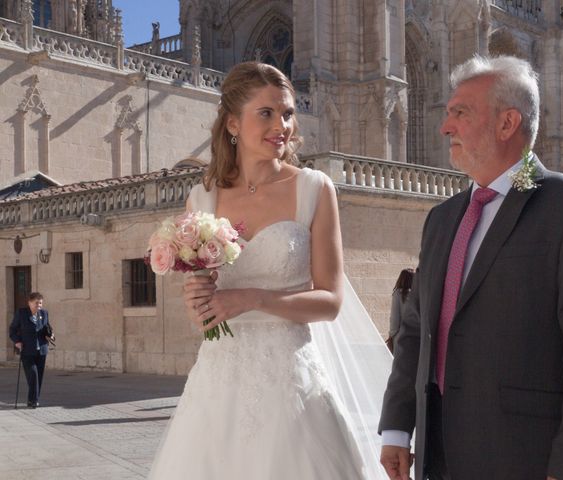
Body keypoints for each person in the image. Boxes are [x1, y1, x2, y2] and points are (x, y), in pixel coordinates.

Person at [379, 55, 563, 480]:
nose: (445, 126)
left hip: (525, 459)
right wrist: (398, 427)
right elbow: (417, 331)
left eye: (460, 112)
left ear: (507, 123)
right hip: (437, 457)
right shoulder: (442, 218)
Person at [148, 62, 389, 479]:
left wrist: (251, 299)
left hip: (292, 387)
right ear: (232, 124)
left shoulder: (314, 188)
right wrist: (198, 303)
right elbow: (204, 313)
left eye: (288, 113)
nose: (283, 126)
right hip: (218, 387)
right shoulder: (201, 198)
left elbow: (330, 302)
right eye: (267, 113)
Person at [9, 292, 54, 408]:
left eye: (40, 303)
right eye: (36, 303)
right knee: (33, 374)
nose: (39, 305)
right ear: (29, 302)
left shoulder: (44, 313)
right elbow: (12, 330)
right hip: (27, 350)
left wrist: (51, 335)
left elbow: (47, 327)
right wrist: (17, 341)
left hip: (42, 350)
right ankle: (33, 400)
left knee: (39, 376)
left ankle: (33, 400)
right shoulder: (22, 313)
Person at [387, 268, 415, 354]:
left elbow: (394, 319)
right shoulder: (418, 295)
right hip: (416, 337)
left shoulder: (398, 294)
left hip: (401, 337)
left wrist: (391, 336)